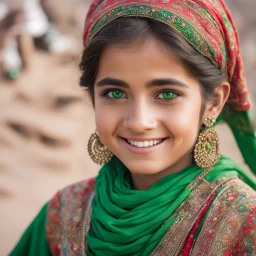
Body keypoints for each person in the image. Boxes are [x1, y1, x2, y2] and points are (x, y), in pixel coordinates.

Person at [9, 0, 256, 255]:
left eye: (167, 94)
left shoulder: (245, 228)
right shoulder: (62, 216)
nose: (138, 122)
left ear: (214, 102)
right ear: (93, 95)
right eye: (115, 93)